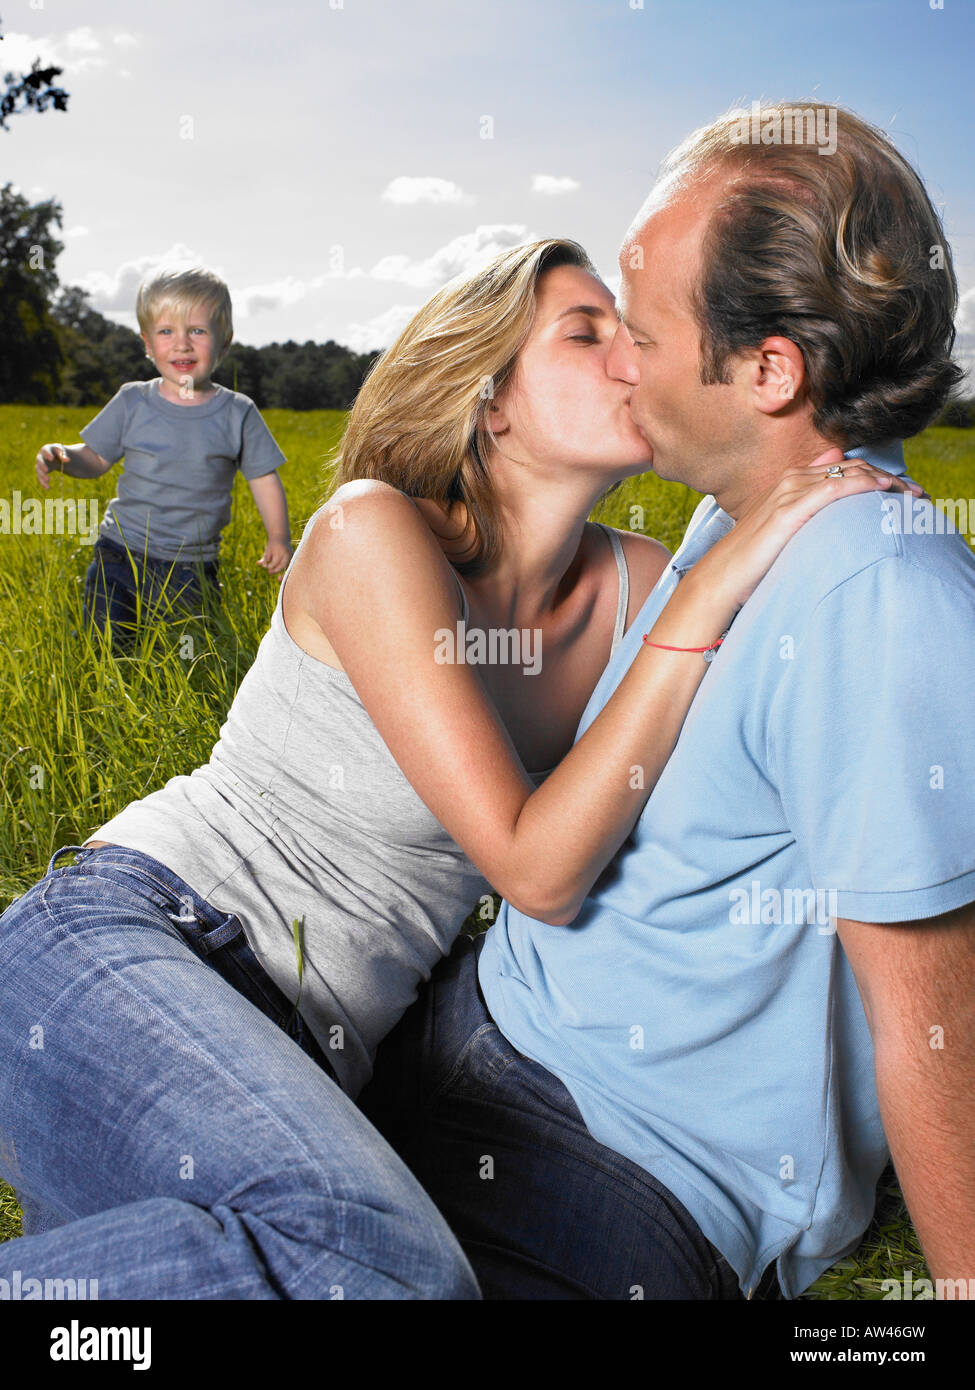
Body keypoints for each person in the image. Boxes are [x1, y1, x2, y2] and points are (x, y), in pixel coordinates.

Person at [0, 237, 913, 1300]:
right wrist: (709, 597)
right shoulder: (374, 534)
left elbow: (799, 740)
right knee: (384, 1264)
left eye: (635, 327)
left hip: (300, 1069)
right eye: (588, 332)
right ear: (491, 402)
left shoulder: (639, 584)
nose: (636, 351)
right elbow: (535, 865)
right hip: (133, 948)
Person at [358, 103, 975, 1302]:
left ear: (770, 369)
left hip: (613, 1165)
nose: (619, 364)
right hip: (470, 1021)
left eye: (641, 331)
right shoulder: (733, 515)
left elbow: (939, 1026)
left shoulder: (885, 595)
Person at [33, 266, 292, 644]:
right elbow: (96, 459)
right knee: (106, 643)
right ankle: (112, 690)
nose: (182, 343)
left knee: (185, 652)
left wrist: (279, 536)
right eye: (166, 331)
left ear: (225, 342)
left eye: (198, 331)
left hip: (190, 565)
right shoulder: (132, 400)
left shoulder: (238, 413)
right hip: (118, 552)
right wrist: (62, 457)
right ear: (147, 343)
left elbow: (263, 477)